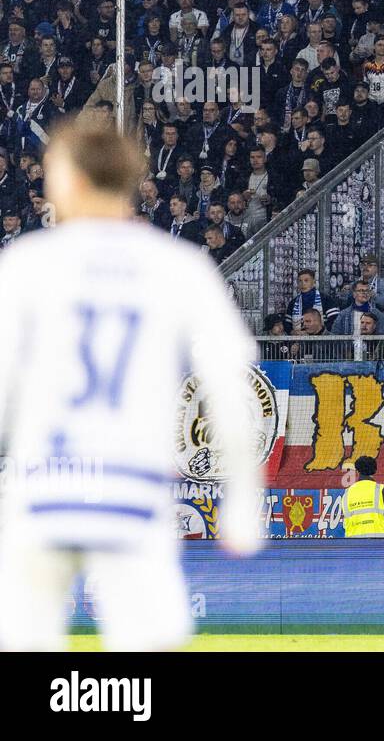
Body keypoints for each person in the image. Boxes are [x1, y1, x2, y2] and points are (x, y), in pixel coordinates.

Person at [0, 125, 261, 651]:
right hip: (131, 492)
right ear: (131, 181)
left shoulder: (26, 266)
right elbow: (230, 386)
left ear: (64, 181)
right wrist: (243, 500)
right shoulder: (179, 267)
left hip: (40, 486)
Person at [343, 455, 384, 538]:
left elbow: (347, 516)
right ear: (374, 471)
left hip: (352, 543)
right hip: (377, 542)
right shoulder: (381, 489)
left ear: (357, 471)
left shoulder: (347, 492)